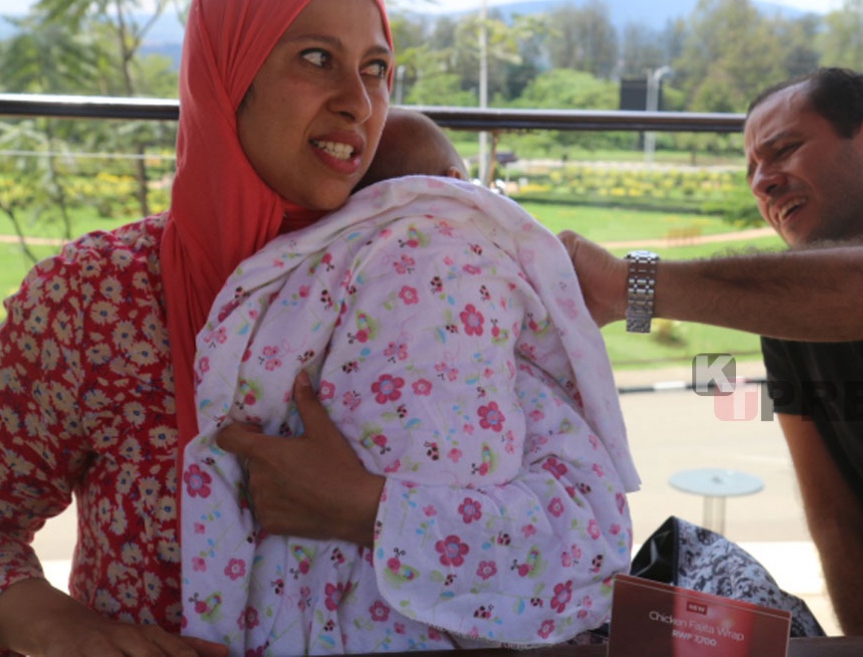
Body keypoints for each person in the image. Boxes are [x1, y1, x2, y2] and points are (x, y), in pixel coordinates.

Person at [0, 0, 397, 655]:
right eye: (316, 58)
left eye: (377, 69)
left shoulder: (421, 288)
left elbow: (563, 525)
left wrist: (370, 512)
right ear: (228, 76)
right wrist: (63, 630)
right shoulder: (97, 299)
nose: (358, 103)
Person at [559, 67, 863, 635]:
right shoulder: (792, 324)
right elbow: (838, 523)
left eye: (784, 150)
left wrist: (631, 286)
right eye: (752, 171)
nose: (762, 184)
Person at [181, 109, 638, 651]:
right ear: (454, 180)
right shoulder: (473, 254)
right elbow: (592, 535)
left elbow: (261, 381)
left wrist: (365, 504)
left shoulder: (316, 261)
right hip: (462, 594)